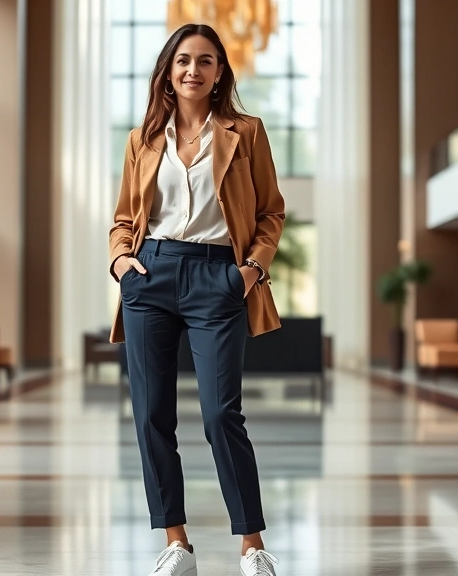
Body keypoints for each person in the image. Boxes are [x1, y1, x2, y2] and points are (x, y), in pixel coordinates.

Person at [107, 22, 286, 576]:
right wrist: (120, 262)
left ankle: (252, 546)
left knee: (220, 414)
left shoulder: (246, 132)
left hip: (218, 278)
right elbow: (123, 217)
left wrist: (250, 271)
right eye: (183, 60)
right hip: (151, 275)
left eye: (205, 61)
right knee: (152, 415)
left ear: (219, 73)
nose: (193, 70)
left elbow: (270, 212)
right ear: (168, 70)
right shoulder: (142, 139)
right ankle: (176, 541)